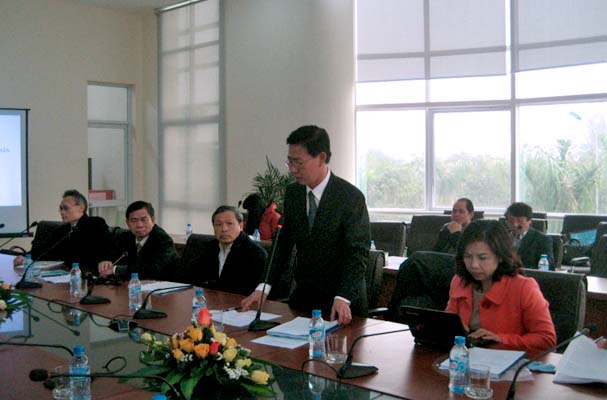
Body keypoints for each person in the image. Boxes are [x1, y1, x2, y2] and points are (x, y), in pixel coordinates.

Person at [241, 125, 371, 324]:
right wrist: (263, 287)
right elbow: (282, 244)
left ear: (321, 158)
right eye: (290, 162)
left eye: (299, 163)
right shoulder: (293, 193)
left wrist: (343, 296)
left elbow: (357, 252)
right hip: (304, 299)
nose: (293, 170)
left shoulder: (350, 197)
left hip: (342, 302)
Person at [446, 220, 556, 357]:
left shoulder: (524, 287)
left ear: (500, 256)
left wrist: (501, 339)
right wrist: (452, 329)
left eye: (482, 258)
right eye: (468, 257)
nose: (473, 265)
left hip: (507, 362)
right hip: (465, 360)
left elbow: (547, 339)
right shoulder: (459, 281)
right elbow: (448, 321)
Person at [13, 189, 110, 274]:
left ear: (81, 208)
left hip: (86, 274)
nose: (62, 212)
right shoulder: (62, 230)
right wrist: (26, 257)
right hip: (63, 273)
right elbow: (44, 249)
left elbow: (105, 246)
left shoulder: (95, 223)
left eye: (66, 208)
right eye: (61, 209)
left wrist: (103, 261)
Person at [180, 206, 267, 296]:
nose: (224, 229)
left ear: (241, 226)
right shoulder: (208, 248)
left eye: (229, 224)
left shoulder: (255, 253)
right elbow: (190, 277)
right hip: (208, 300)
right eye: (218, 224)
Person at [98, 201, 177, 280]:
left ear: (153, 220)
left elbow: (152, 269)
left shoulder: (163, 240)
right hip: (132, 284)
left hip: (163, 284)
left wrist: (115, 270)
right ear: (128, 223)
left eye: (144, 220)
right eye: (134, 220)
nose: (139, 225)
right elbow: (110, 254)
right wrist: (105, 263)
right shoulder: (125, 237)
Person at [505, 202, 554, 269]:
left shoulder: (542, 240)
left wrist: (520, 263)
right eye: (511, 220)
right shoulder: (502, 237)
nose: (515, 224)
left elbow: (549, 267)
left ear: (529, 221)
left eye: (519, 220)